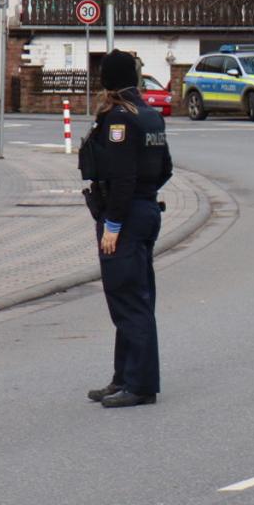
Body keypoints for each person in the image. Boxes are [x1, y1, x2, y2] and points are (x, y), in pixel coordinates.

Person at [80, 49, 172, 408]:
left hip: (126, 217)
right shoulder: (149, 116)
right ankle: (124, 378)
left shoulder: (120, 120)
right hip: (146, 211)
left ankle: (141, 384)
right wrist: (145, 197)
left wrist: (114, 224)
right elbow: (165, 168)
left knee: (129, 301)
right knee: (132, 297)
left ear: (107, 82)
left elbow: (121, 178)